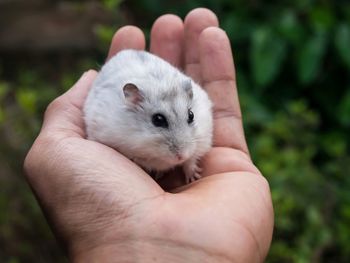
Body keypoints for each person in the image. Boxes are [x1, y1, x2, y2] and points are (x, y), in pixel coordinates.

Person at [24, 8, 273, 262]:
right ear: (133, 102)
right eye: (159, 121)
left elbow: (197, 116)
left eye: (189, 118)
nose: (181, 149)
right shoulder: (110, 122)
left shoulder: (193, 96)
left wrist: (190, 161)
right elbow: (96, 121)